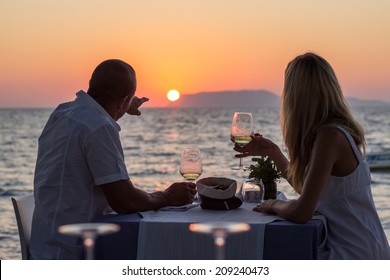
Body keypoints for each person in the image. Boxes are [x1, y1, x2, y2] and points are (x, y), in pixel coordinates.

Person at [30, 59, 196, 259]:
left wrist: (124, 104)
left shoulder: (62, 112)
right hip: (72, 253)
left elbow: (103, 109)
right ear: (121, 100)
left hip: (45, 245)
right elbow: (124, 201)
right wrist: (167, 196)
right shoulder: (99, 127)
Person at [234, 52, 390, 259]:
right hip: (367, 247)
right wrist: (273, 153)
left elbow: (302, 212)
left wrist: (273, 205)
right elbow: (311, 192)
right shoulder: (335, 133)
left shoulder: (330, 137)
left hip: (353, 254)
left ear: (295, 96)